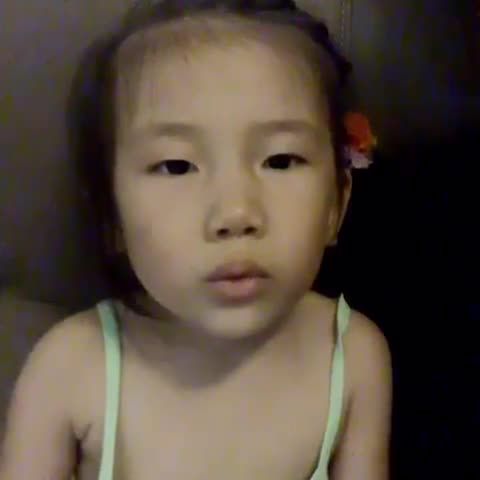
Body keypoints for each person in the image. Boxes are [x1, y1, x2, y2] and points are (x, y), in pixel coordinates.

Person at [0, 1, 392, 479]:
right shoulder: (69, 370)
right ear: (112, 216)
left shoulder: (351, 355)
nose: (236, 214)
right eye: (177, 166)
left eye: (280, 160)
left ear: (336, 204)